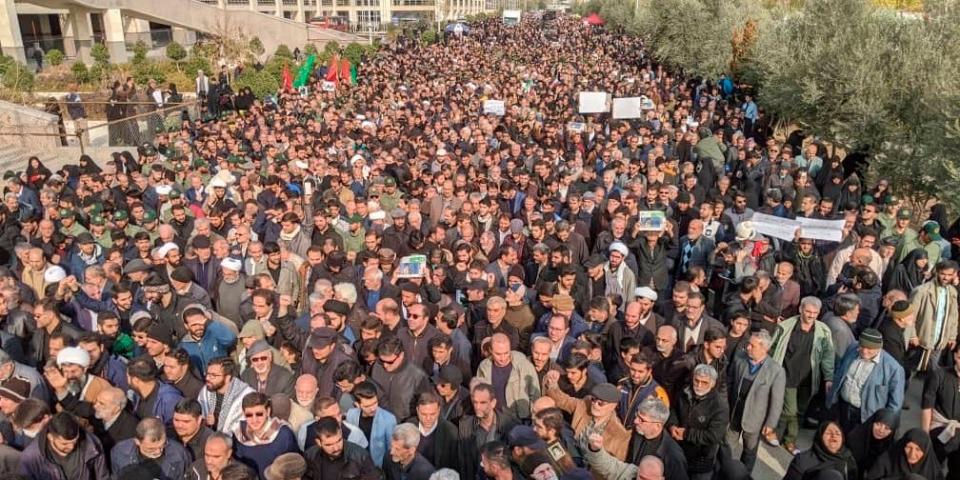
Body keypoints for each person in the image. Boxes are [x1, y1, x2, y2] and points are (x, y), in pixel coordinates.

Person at [771, 296, 836, 453]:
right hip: (787, 375)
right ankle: (787, 439)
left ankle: (782, 436)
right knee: (790, 410)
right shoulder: (786, 327)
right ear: (800, 309)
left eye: (815, 313)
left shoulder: (823, 331)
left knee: (800, 410)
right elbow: (773, 347)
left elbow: (828, 356)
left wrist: (828, 377)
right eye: (808, 311)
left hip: (808, 378)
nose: (811, 315)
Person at [726, 329, 785, 473]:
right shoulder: (740, 359)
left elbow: (776, 401)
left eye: (752, 346)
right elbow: (729, 383)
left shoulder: (775, 370)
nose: (748, 347)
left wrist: (770, 424)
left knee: (749, 452)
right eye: (748, 344)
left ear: (764, 348)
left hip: (754, 419)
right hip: (734, 414)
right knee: (725, 448)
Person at [827, 328, 905, 433]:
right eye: (862, 346)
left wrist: (885, 425)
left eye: (869, 348)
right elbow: (840, 368)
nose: (864, 351)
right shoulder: (853, 348)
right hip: (842, 407)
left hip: (866, 417)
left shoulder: (893, 368)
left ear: (879, 348)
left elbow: (895, 403)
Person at [669, 364, 728, 480]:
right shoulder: (684, 392)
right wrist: (672, 425)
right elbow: (673, 410)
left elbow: (714, 436)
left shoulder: (720, 405)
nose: (699, 385)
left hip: (701, 461)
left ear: (713, 384)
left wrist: (686, 434)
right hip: (678, 453)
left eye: (704, 382)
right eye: (696, 380)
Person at [19, 411, 109, 480]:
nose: (71, 447)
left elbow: (103, 477)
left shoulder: (92, 444)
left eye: (75, 441)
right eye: (64, 443)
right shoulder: (30, 458)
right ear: (50, 437)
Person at [476, 333, 541, 421]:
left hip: (519, 419)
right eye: (498, 354)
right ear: (491, 350)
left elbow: (535, 395)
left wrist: (532, 419)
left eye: (506, 353)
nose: (503, 358)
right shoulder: (484, 367)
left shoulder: (523, 365)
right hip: (493, 419)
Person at [231, 392, 298, 477]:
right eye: (249, 415)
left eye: (259, 414)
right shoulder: (239, 433)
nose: (254, 420)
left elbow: (294, 467)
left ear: (268, 411)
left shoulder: (283, 434)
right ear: (243, 414)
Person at [110, 417, 192, 479]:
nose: (158, 451)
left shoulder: (180, 454)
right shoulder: (119, 452)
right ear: (137, 441)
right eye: (151, 449)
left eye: (163, 445)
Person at [303, 416, 379, 480]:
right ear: (319, 442)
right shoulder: (310, 456)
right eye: (329, 445)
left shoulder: (361, 457)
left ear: (341, 433)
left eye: (339, 441)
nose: (336, 448)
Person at [784, 421, 858, 480]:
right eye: (828, 433)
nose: (833, 435)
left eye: (838, 433)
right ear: (820, 438)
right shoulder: (803, 461)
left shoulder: (848, 459)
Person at [198, 357, 254, 433]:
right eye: (207, 374)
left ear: (227, 377)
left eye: (213, 375)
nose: (207, 378)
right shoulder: (206, 390)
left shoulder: (246, 395)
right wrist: (206, 422)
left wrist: (217, 422)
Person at [865, 428, 944, 480]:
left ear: (926, 451)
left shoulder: (935, 472)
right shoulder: (886, 460)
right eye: (909, 447)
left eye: (918, 449)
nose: (912, 454)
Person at [846, 408, 898, 474]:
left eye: (887, 428)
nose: (881, 430)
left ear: (892, 432)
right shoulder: (854, 437)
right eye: (878, 424)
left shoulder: (893, 447)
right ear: (872, 422)